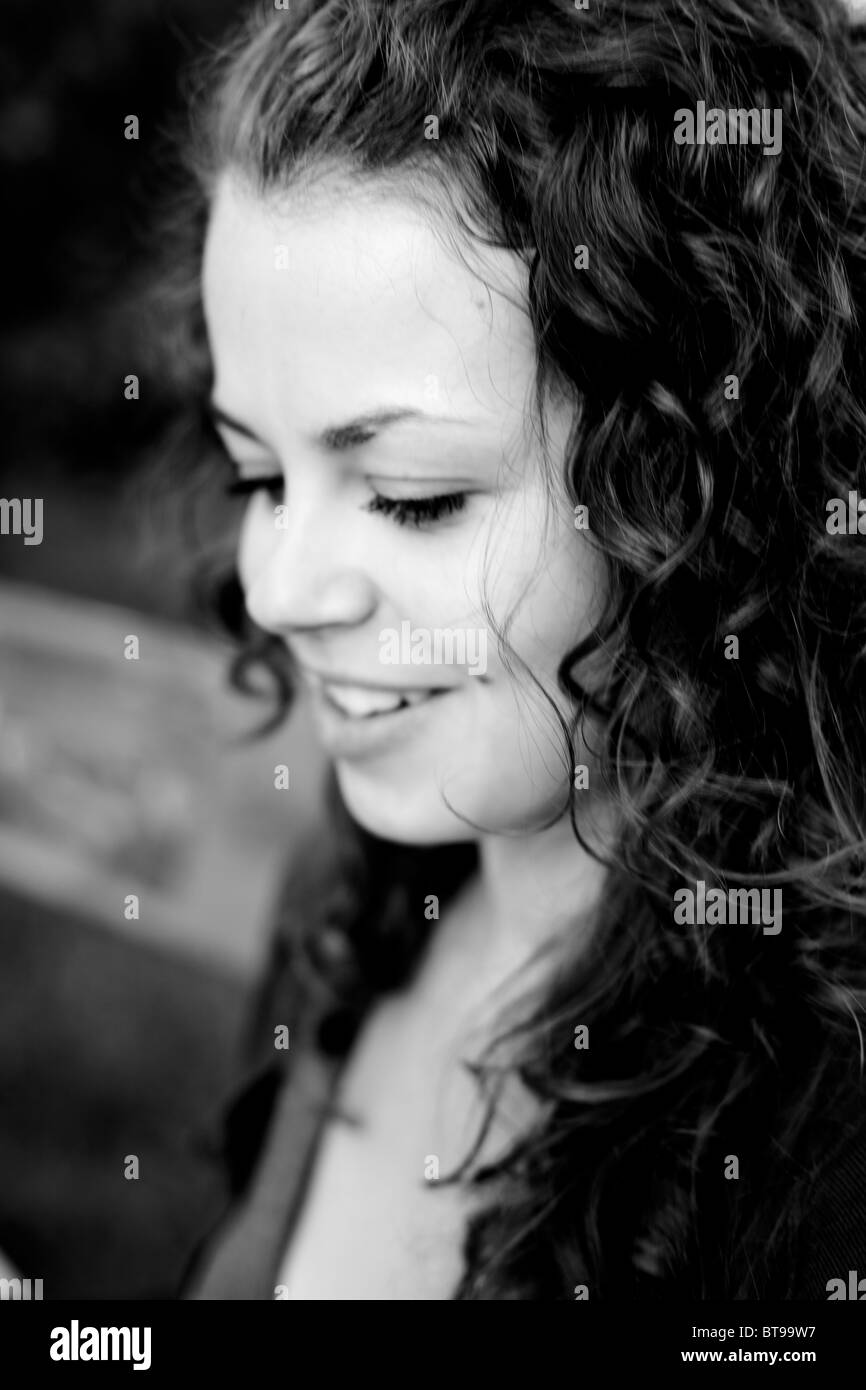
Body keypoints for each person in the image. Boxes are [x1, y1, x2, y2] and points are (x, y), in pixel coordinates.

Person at [157, 0, 866, 1300]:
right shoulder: (354, 899)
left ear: (690, 489)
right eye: (257, 473)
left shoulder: (822, 1151)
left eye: (414, 496)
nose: (279, 587)